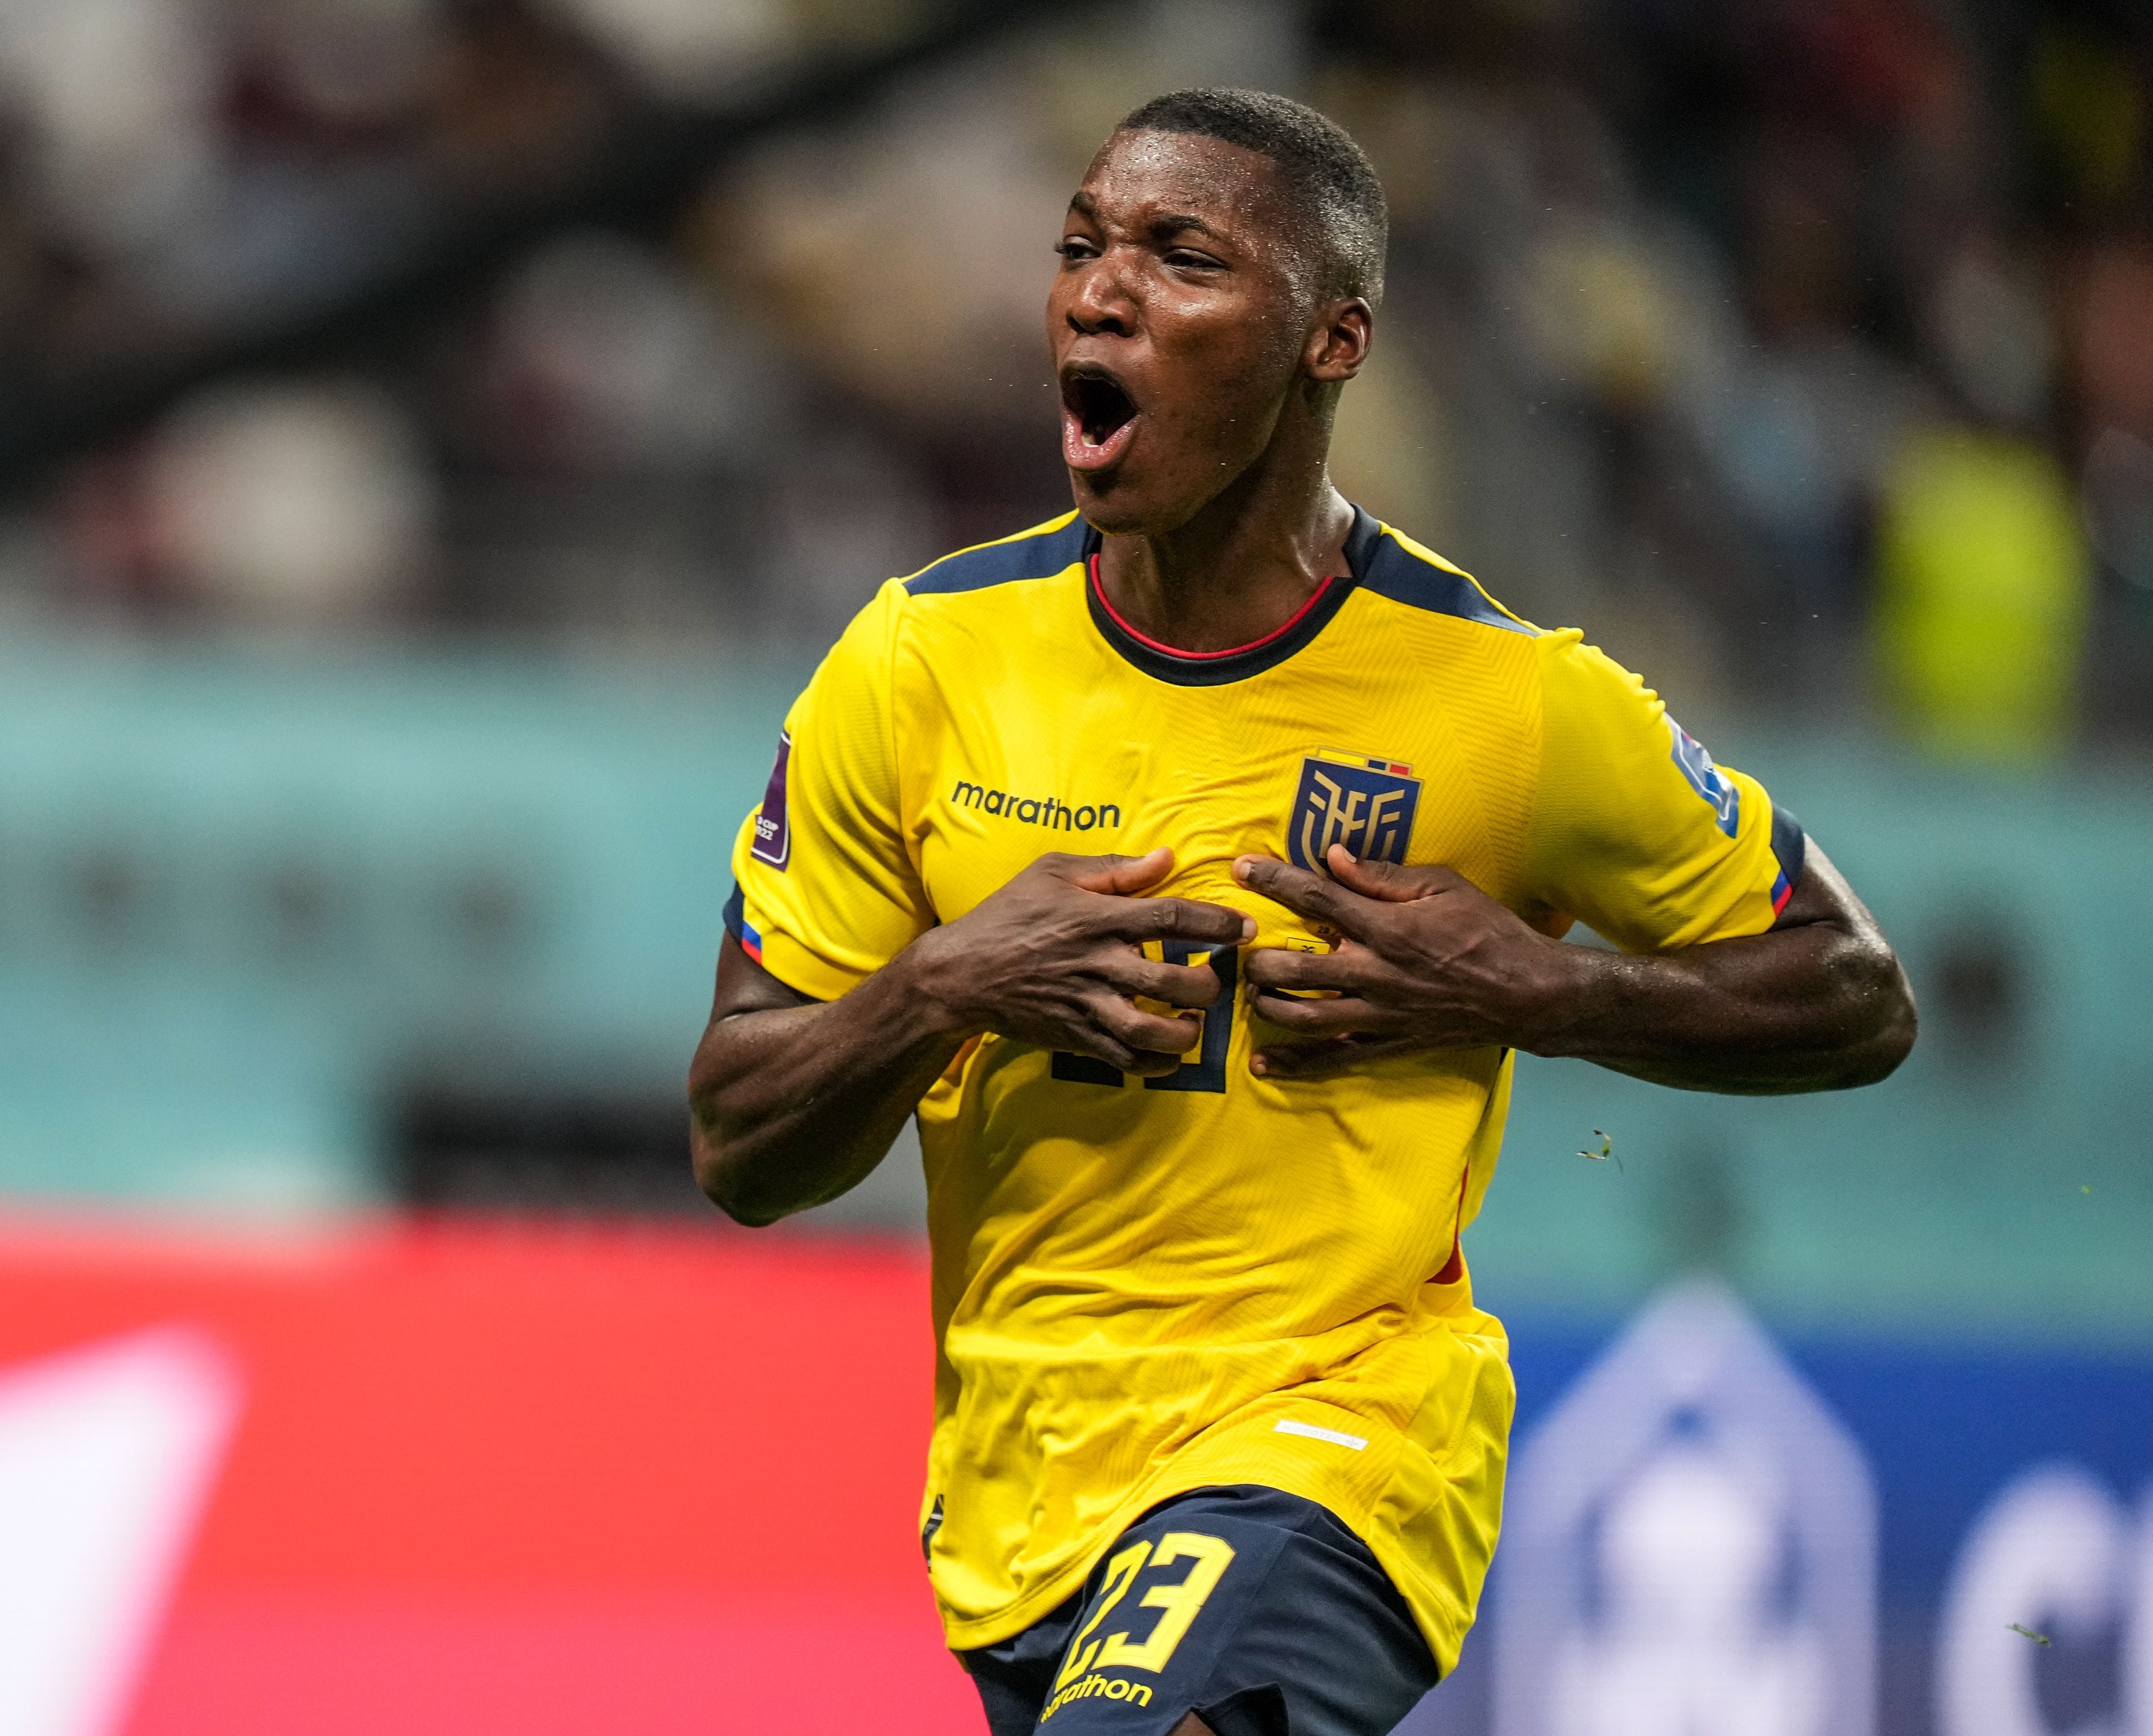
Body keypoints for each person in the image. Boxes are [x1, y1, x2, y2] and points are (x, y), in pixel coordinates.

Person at [686, 88, 1915, 1736]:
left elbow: (1855, 989)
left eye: (1179, 255)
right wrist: (947, 985)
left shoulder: (1513, 701)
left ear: (1329, 341)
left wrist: (1546, 996)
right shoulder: (919, 664)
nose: (1098, 292)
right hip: (1021, 1497)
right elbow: (740, 1143)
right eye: (1080, 247)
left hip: (1342, 1435)